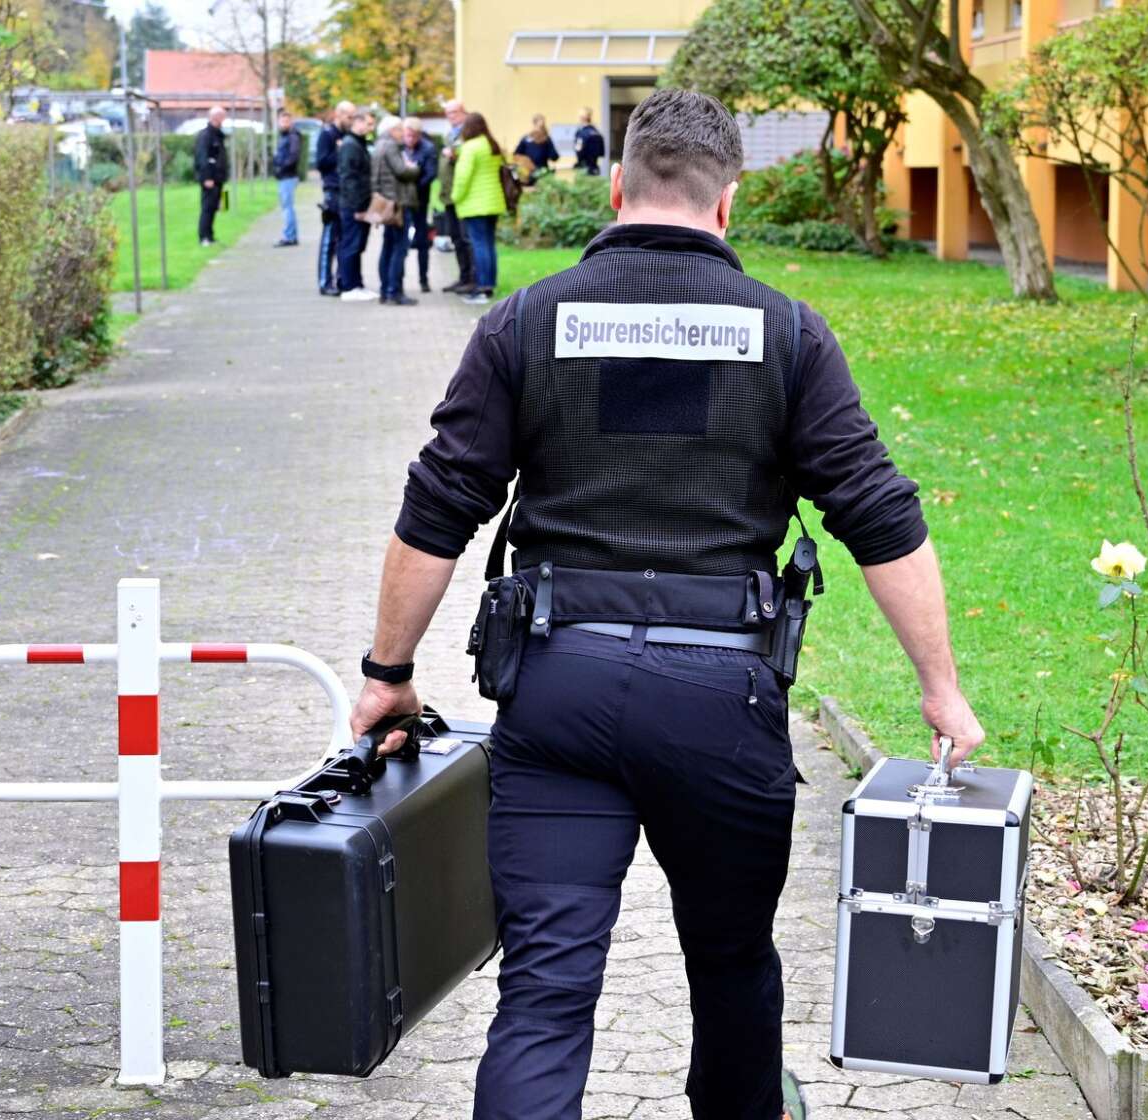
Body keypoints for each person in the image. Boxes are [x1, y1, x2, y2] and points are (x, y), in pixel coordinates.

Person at [346, 87, 983, 1120]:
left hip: (557, 691)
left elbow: (439, 504)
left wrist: (387, 674)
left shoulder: (528, 319)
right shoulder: (786, 333)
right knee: (732, 965)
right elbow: (879, 513)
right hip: (719, 700)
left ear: (615, 188)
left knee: (546, 990)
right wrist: (941, 690)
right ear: (727, 202)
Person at [450, 112, 506, 307]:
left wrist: (455, 197)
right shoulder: (491, 145)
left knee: (479, 245)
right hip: (493, 202)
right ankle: (490, 283)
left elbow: (462, 177)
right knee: (489, 245)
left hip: (475, 204)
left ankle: (482, 287)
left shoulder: (470, 148)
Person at [371, 115, 422, 307]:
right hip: (397, 204)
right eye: (400, 129)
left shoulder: (378, 145)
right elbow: (401, 171)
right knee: (399, 249)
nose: (403, 133)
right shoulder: (391, 146)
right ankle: (394, 292)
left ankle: (385, 291)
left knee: (388, 247)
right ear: (392, 130)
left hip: (385, 203)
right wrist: (414, 168)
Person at [335, 108, 378, 303]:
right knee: (351, 245)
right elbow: (349, 178)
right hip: (354, 206)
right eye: (369, 123)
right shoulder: (351, 145)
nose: (371, 127)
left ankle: (357, 283)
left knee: (357, 246)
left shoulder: (357, 143)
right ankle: (349, 286)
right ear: (358, 122)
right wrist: (358, 207)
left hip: (359, 203)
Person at [438, 98, 477, 296]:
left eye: (453, 112)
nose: (449, 117)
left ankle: (472, 279)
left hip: (462, 196)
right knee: (456, 239)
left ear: (463, 112)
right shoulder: (451, 134)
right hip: (449, 196)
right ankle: (463, 277)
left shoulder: (468, 132)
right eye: (447, 113)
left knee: (466, 238)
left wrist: (455, 156)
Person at [315, 101, 353, 296]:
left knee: (343, 239)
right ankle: (324, 282)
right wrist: (339, 151)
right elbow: (320, 162)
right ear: (339, 114)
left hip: (346, 191)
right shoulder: (327, 135)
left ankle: (341, 279)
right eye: (349, 116)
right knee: (329, 239)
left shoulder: (347, 136)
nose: (351, 121)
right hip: (333, 191)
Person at [405, 118, 440, 296]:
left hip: (420, 200)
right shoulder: (398, 146)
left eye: (413, 136)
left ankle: (423, 279)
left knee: (422, 241)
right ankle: (397, 280)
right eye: (407, 135)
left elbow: (431, 173)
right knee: (400, 242)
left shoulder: (428, 148)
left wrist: (414, 187)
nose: (409, 139)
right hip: (402, 201)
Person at [194, 105, 230, 247]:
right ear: (215, 117)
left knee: (216, 207)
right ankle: (204, 237)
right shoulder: (206, 136)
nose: (224, 119)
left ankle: (210, 235)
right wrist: (207, 177)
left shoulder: (218, 134)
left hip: (219, 178)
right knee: (207, 207)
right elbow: (202, 157)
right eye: (222, 116)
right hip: (210, 179)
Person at [271, 109, 301, 247]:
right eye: (282, 121)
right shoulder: (284, 136)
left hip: (288, 176)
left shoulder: (292, 137)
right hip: (285, 176)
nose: (283, 123)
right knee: (287, 206)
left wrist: (281, 168)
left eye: (286, 121)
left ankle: (289, 236)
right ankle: (292, 235)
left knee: (287, 207)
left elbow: (293, 156)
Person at [513, 114, 559, 184]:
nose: (540, 128)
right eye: (539, 126)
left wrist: (548, 144)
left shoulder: (547, 140)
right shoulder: (526, 139)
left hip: (543, 174)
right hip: (528, 175)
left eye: (542, 126)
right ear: (534, 124)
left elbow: (554, 157)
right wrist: (525, 163)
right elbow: (516, 155)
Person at [572, 108, 604, 176]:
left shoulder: (581, 133)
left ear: (582, 118)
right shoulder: (597, 133)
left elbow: (578, 151)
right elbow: (601, 152)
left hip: (584, 169)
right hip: (595, 169)